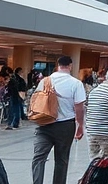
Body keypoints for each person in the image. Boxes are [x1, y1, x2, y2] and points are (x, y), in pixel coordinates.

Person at [32, 56, 87, 184]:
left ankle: (37, 182)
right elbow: (79, 107)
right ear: (70, 66)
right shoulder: (76, 83)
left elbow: (36, 100)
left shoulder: (45, 81)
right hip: (65, 125)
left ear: (58, 65)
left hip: (44, 123)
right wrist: (80, 125)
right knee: (61, 160)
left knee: (38, 158)